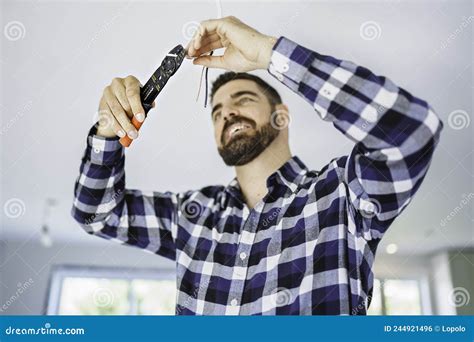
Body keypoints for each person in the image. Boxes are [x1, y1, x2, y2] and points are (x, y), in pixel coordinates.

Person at [71, 16, 443, 315]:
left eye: (243, 100)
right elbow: (95, 214)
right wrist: (107, 131)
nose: (227, 113)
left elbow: (411, 134)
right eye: (216, 113)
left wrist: (269, 53)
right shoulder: (191, 216)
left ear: (281, 117)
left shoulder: (341, 195)